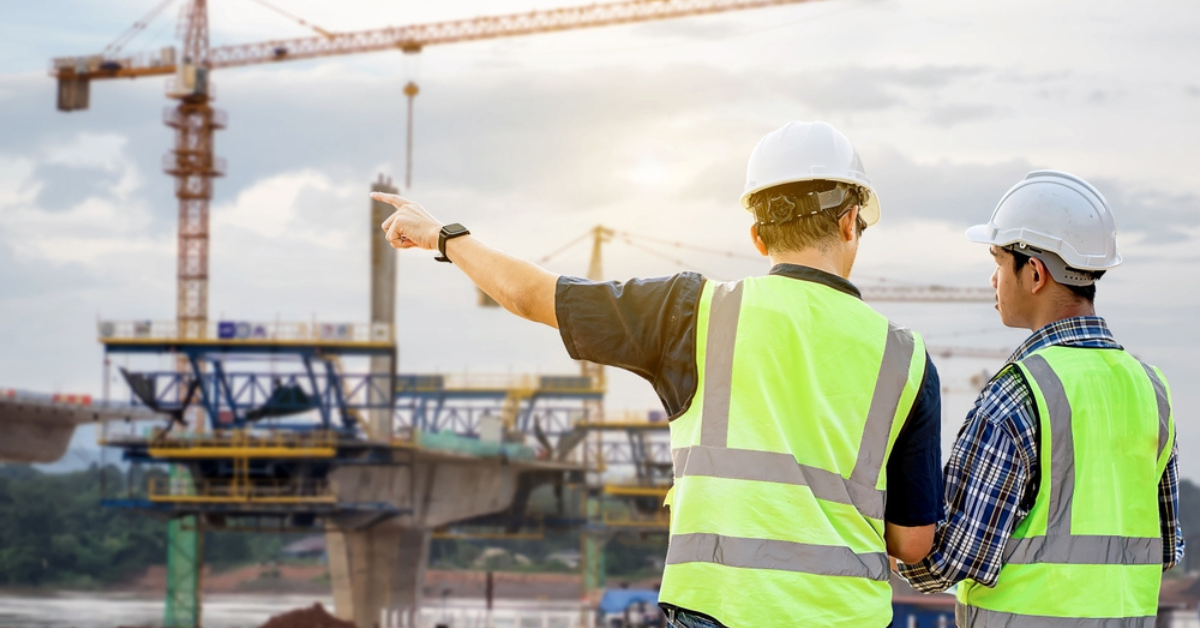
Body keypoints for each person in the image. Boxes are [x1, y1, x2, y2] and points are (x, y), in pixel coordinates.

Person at [375, 121, 942, 627]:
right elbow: (913, 543)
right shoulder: (907, 358)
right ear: (850, 222)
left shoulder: (694, 311)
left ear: (758, 237)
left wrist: (442, 237)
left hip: (718, 612)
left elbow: (529, 294)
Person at [898, 171, 1183, 627]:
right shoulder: (1152, 391)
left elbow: (942, 564)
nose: (993, 279)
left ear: (1034, 273)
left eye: (997, 260)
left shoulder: (1018, 394)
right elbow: (1166, 549)